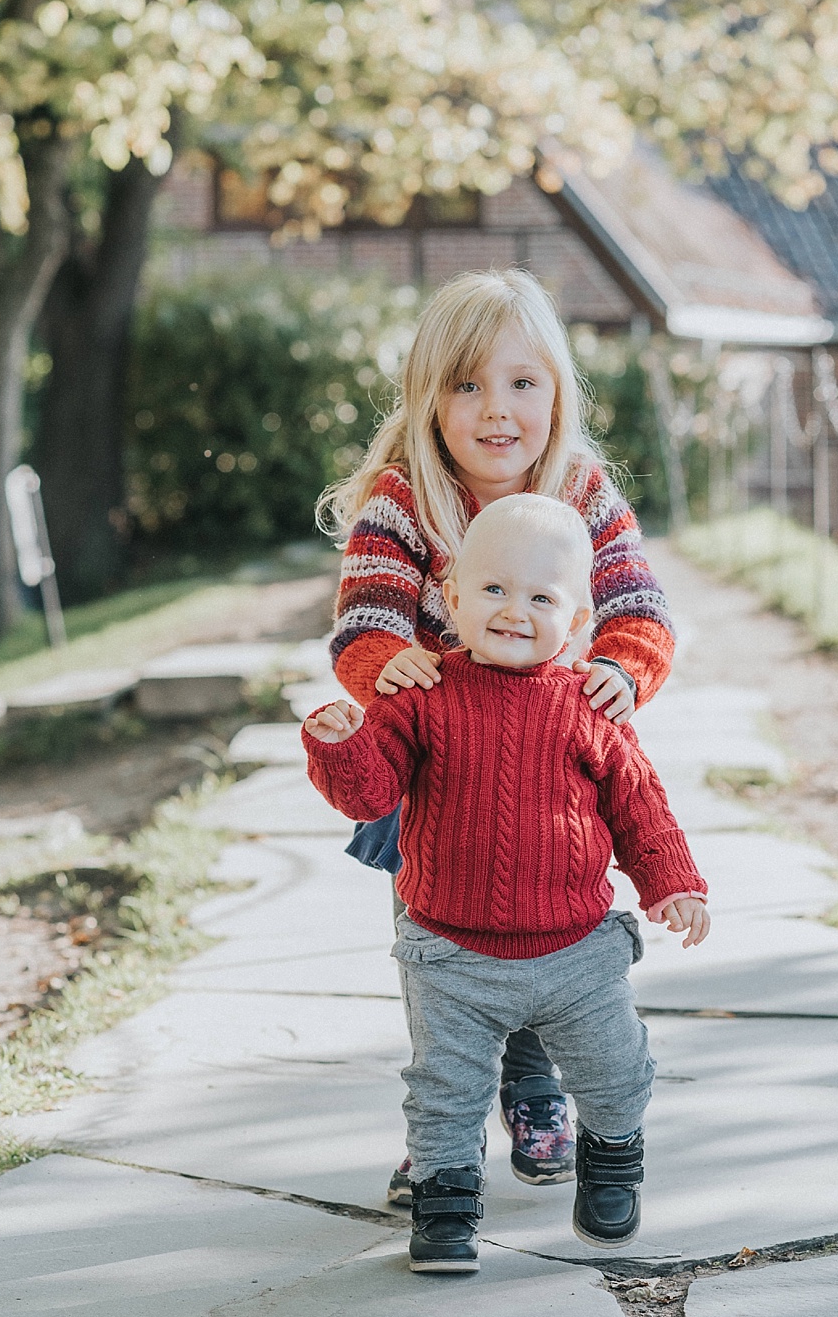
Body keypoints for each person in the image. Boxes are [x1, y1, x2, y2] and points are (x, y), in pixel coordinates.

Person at [317, 268, 677, 1204]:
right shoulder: (404, 500)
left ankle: (537, 1088)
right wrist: (382, 666)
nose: (496, 409)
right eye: (468, 384)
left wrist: (623, 670)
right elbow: (366, 622)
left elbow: (640, 609)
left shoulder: (583, 492)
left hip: (552, 765)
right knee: (440, 954)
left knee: (552, 935)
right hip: (435, 772)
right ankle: (441, 1137)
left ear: (557, 392)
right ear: (430, 397)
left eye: (523, 382)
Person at [303, 493, 711, 1271]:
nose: (515, 610)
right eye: (492, 589)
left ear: (579, 618)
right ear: (451, 596)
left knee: (617, 1068)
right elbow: (371, 794)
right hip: (451, 954)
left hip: (577, 953)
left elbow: (640, 804)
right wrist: (344, 745)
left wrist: (673, 882)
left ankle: (614, 1153)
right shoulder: (421, 692)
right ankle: (447, 1200)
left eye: (541, 597)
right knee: (444, 1093)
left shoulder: (590, 702)